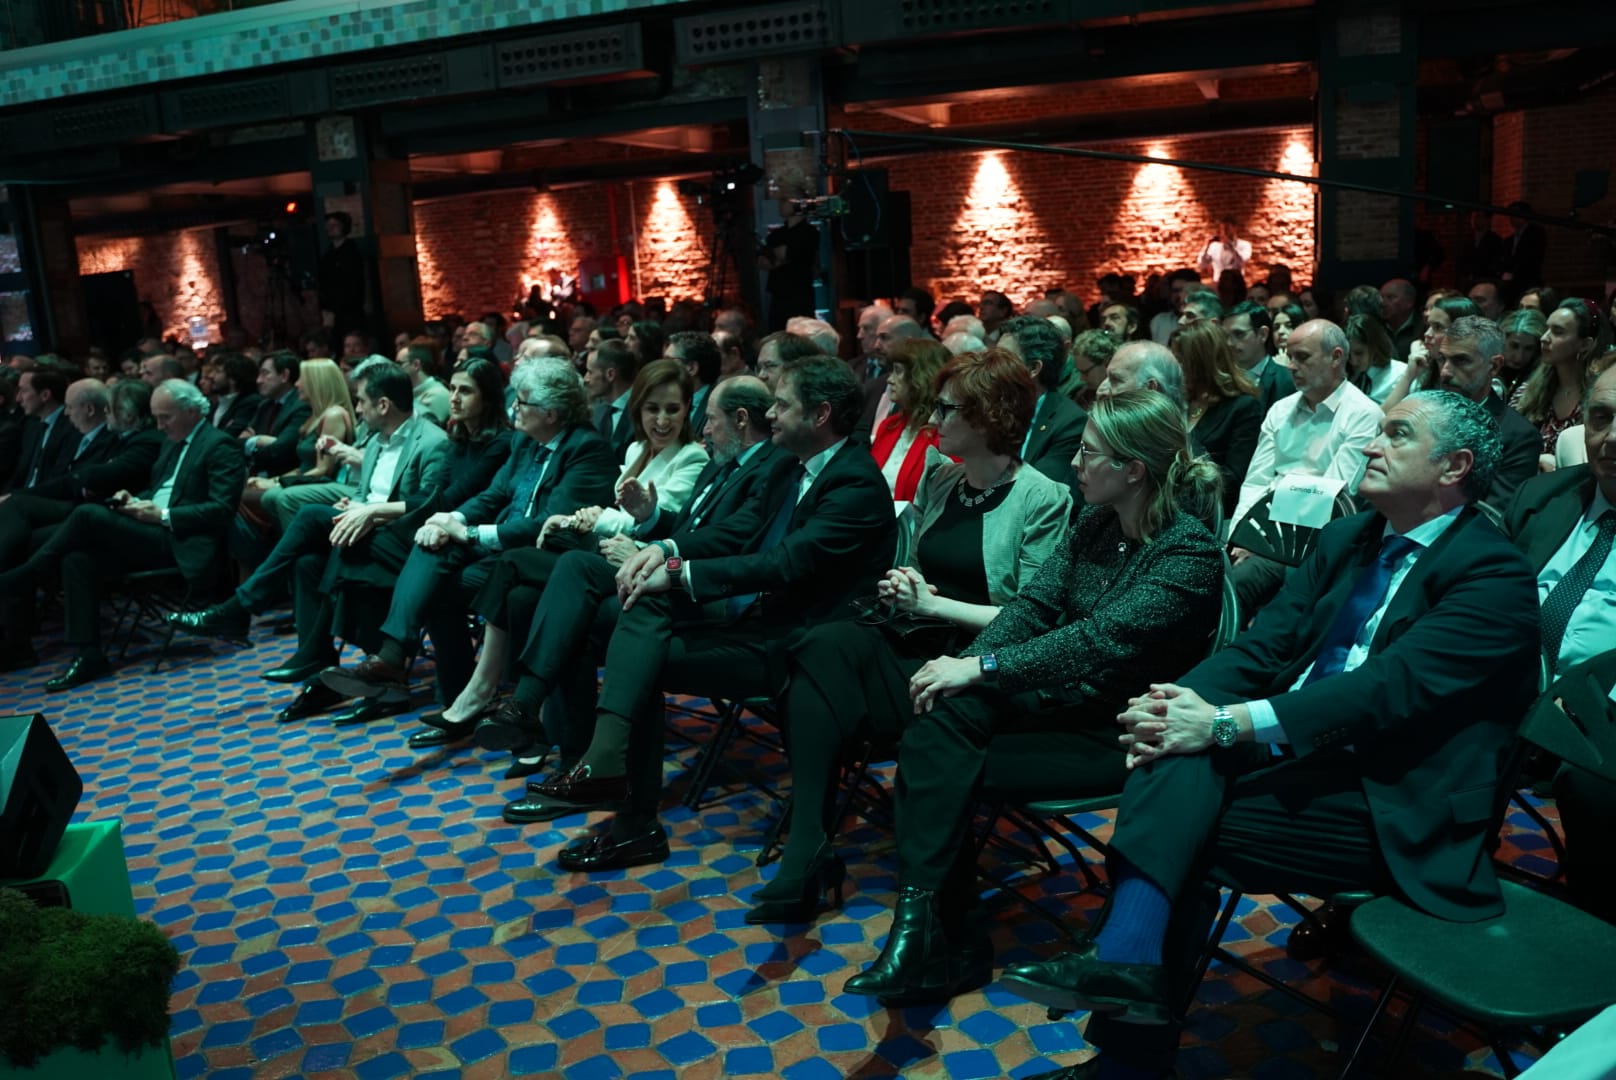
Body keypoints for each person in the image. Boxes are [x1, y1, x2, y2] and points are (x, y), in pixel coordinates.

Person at [1002, 391, 1540, 1080]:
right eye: (1376, 430)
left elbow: (1383, 689)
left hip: (1396, 799)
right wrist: (1179, 703)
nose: (1371, 445)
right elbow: (1264, 647)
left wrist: (1223, 722)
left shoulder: (1494, 575)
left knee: (1186, 829)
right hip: (1300, 755)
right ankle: (1125, 979)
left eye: (1396, 434)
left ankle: (1125, 1028)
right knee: (1179, 753)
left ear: (1454, 466)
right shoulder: (1350, 538)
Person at [841, 390, 1225, 1003]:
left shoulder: (1188, 553)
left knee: (937, 760)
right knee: (942, 717)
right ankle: (927, 930)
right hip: (1057, 701)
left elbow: (1093, 642)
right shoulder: (1098, 521)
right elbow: (1034, 606)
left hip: (1116, 730)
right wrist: (963, 665)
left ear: (1133, 470)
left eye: (1088, 452)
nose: (1074, 462)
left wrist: (984, 666)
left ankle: (940, 938)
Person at [519, 357, 897, 871]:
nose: (770, 414)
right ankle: (605, 774)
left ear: (821, 414)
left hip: (803, 647)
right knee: (632, 619)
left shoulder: (856, 484)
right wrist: (664, 550)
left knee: (642, 650)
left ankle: (625, 807)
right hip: (756, 621)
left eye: (781, 405)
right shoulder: (790, 463)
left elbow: (784, 563)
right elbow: (737, 533)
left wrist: (676, 572)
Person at [749, 350, 1073, 925]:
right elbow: (911, 562)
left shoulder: (1042, 497)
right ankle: (809, 842)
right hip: (915, 636)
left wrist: (932, 602)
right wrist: (904, 583)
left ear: (989, 418)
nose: (932, 420)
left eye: (947, 410)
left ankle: (816, 857)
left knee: (826, 677)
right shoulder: (941, 477)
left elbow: (1030, 618)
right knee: (819, 646)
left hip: (982, 661)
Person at [486, 377, 787, 817]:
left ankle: (578, 760)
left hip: (708, 591)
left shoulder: (772, 465)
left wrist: (658, 549)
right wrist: (651, 520)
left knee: (577, 616)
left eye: (710, 420)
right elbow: (687, 525)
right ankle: (541, 719)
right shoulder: (722, 462)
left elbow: (735, 536)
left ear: (740, 420)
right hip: (666, 571)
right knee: (572, 570)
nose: (703, 429)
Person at [432, 359, 710, 770]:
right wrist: (578, 519)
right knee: (523, 597)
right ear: (638, 410)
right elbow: (620, 513)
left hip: (636, 567)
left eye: (673, 409)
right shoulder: (635, 450)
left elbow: (653, 518)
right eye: (653, 409)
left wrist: (594, 517)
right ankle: (542, 732)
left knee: (513, 564)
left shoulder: (691, 458)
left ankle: (492, 690)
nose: (663, 420)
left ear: (688, 409)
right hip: (602, 554)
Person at [317, 357, 617, 713]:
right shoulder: (526, 442)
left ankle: (451, 695)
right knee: (431, 544)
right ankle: (395, 658)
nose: (514, 408)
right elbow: (494, 494)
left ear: (551, 413)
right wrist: (448, 519)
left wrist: (470, 532)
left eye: (522, 402)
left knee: (440, 585)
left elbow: (546, 524)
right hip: (500, 548)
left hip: (538, 557)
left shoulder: (586, 449)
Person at [166, 366, 450, 698]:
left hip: (406, 544)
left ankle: (245, 608)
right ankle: (318, 669)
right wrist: (354, 504)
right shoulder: (376, 441)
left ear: (383, 405)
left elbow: (429, 506)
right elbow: (365, 493)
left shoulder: (432, 441)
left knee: (310, 514)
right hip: (366, 534)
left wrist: (370, 513)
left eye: (361, 401)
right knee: (307, 564)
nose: (357, 409)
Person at [0, 380, 246, 690]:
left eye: (165, 417)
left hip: (179, 539)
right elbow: (160, 490)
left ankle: (27, 576)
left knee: (87, 514)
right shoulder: (172, 441)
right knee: (78, 558)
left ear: (192, 412)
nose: (159, 425)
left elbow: (221, 511)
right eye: (156, 417)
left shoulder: (220, 445)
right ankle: (89, 654)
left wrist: (162, 515)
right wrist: (135, 499)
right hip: (149, 527)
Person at [1505, 365, 1616, 924]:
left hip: (1601, 719)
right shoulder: (1543, 496)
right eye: (1601, 418)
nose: (1612, 437)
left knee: (1596, 784)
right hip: (1506, 694)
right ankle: (1393, 886)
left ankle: (1595, 937)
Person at [1228, 319, 1383, 612]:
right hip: (1265, 529)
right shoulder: (1280, 409)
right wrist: (1239, 537)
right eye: (1289, 356)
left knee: (1234, 591)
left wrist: (1260, 540)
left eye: (1302, 357)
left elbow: (1333, 497)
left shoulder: (1363, 414)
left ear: (1336, 357)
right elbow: (1257, 480)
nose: (1291, 366)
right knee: (1209, 577)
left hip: (1314, 542)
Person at [1432, 315, 1541, 511]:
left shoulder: (1518, 437)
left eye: (1461, 360)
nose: (1445, 372)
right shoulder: (1422, 412)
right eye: (1442, 359)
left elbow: (1493, 514)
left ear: (1494, 365)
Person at [1171, 321, 1262, 516]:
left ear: (1201, 362)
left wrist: (1178, 482)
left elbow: (1234, 478)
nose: (1175, 368)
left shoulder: (1243, 407)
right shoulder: (1177, 402)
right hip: (1170, 507)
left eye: (1180, 361)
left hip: (1212, 513)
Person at [1511, 299, 1611, 463]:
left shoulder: (1602, 396)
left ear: (1585, 344)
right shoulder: (1526, 392)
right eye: (1547, 329)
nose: (1544, 338)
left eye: (1557, 332)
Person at [997, 316, 1088, 490]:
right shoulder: (992, 409)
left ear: (1033, 368)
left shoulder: (1070, 423)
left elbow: (1039, 490)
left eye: (1002, 360)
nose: (990, 367)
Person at [870, 338, 948, 501]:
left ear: (920, 376)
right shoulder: (888, 426)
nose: (889, 379)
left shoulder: (945, 433)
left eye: (897, 371)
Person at [5, 364, 74, 493]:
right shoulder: (30, 425)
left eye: (24, 391)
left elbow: (57, 480)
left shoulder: (71, 428)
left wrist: (14, 497)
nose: (18, 398)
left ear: (45, 395)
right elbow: (19, 474)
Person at [1221, 302, 1295, 412]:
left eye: (1239, 334)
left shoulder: (1287, 379)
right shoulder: (1221, 379)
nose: (1229, 343)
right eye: (1225, 336)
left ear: (1262, 334)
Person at [761, 197, 819, 331]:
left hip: (800, 295)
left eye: (784, 201)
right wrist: (781, 257)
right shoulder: (777, 234)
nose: (780, 205)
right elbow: (761, 261)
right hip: (779, 295)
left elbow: (785, 254)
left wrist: (776, 256)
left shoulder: (809, 232)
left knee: (801, 334)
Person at [318, 211, 367, 345]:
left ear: (344, 227)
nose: (330, 228)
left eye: (335, 225)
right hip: (333, 312)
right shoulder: (328, 256)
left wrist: (335, 309)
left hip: (349, 311)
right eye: (328, 225)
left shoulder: (351, 254)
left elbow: (352, 285)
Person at [1344, 312, 1407, 405]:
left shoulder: (1402, 374)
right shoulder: (1349, 377)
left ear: (1375, 346)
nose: (1353, 361)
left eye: (1359, 353)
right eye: (1348, 355)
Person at [1497, 307, 1547, 401]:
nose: (1519, 357)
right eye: (1514, 346)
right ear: (1502, 340)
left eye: (1528, 349)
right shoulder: (1486, 368)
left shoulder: (1539, 379)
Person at [1065, 330, 1116, 410]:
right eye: (1079, 372)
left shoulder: (1123, 397)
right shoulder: (1083, 395)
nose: (1081, 378)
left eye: (1085, 372)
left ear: (1106, 363)